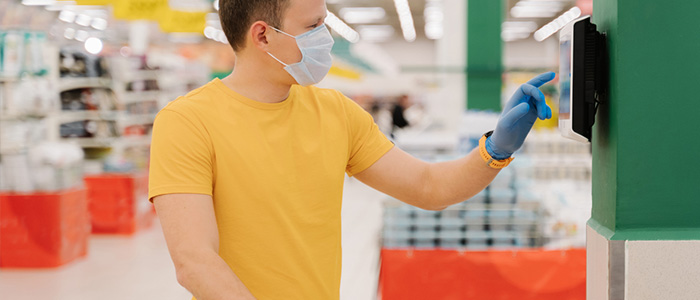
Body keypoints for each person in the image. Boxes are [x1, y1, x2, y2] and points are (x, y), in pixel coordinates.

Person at [148, 0, 555, 299]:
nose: (324, 38)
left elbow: (429, 186)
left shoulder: (336, 113)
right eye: (314, 26)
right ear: (262, 35)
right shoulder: (187, 122)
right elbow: (195, 261)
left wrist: (495, 150)